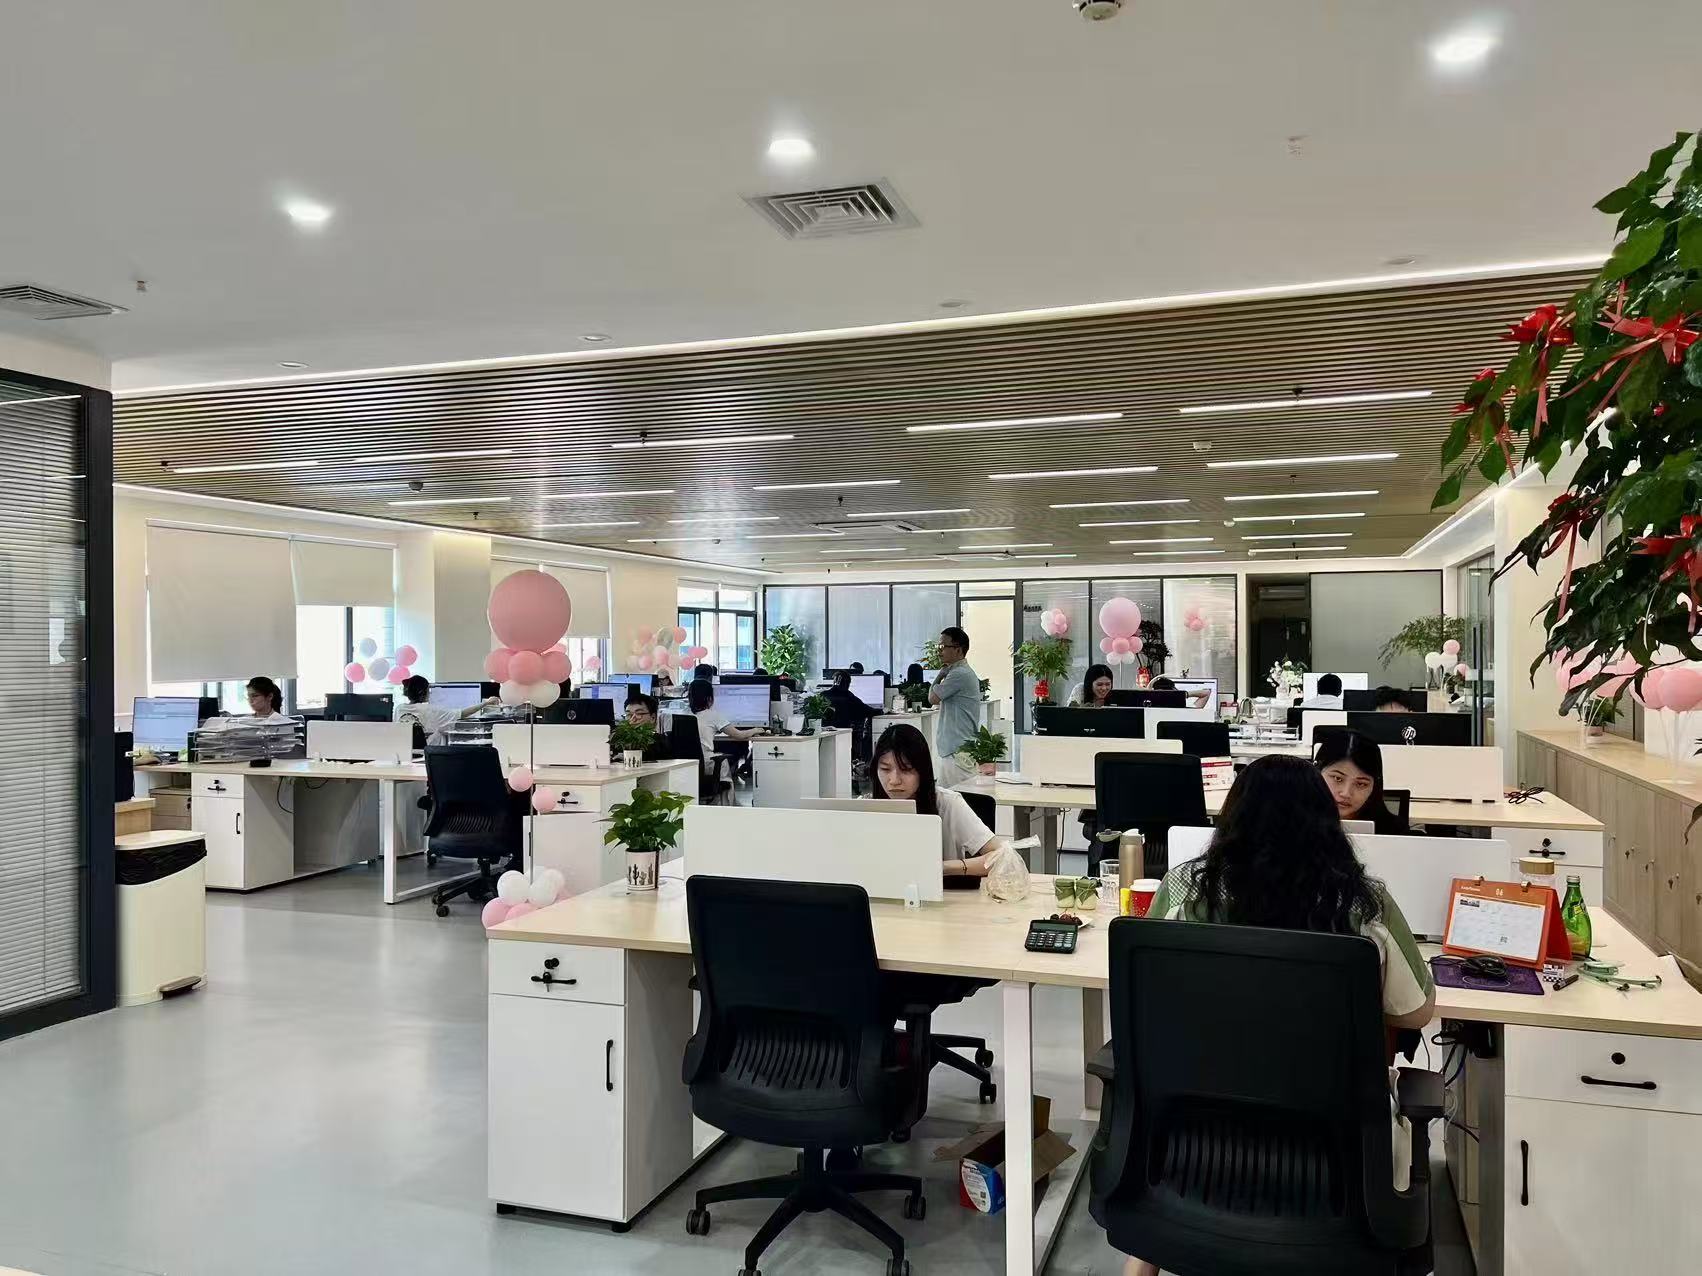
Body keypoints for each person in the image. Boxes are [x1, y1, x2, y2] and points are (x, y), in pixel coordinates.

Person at [1125, 756, 1434, 1274]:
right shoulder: (1362, 903)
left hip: (1193, 1139)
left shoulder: (1183, 891)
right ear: (1326, 822)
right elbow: (1417, 1011)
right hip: (1335, 1155)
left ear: (1232, 815)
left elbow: (1148, 1000)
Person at [870, 724, 998, 876]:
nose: (894, 780)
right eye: (885, 769)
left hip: (944, 890)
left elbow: (1002, 856)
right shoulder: (866, 808)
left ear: (923, 771)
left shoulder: (948, 804)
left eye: (906, 769)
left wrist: (943, 868)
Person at [1316, 731, 1409, 834]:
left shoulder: (1394, 831)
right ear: (1316, 772)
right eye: (1338, 778)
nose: (1346, 793)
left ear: (1374, 786)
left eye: (1361, 784)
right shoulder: (1301, 821)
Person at [930, 626, 980, 788]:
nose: (939, 651)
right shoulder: (958, 672)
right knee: (949, 797)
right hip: (956, 749)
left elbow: (932, 698)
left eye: (943, 646)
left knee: (958, 797)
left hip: (957, 751)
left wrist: (939, 675)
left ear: (958, 650)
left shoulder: (959, 674)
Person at [395, 675, 496, 745]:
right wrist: (486, 703)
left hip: (407, 755)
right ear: (423, 692)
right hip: (427, 754)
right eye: (428, 690)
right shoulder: (430, 710)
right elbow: (462, 713)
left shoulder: (399, 709)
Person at [687, 676, 764, 762]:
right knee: (736, 750)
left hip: (683, 765)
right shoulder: (713, 715)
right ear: (709, 698)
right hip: (706, 762)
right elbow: (739, 735)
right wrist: (755, 730)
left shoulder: (682, 715)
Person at [619, 694, 672, 761]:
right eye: (628, 714)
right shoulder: (620, 741)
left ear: (653, 718)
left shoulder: (660, 743)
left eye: (639, 713)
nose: (633, 719)